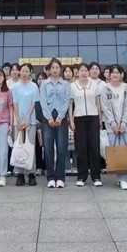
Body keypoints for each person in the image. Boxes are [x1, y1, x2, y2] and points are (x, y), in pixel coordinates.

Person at [69, 63, 103, 187]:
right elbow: (70, 105)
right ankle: (81, 176)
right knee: (81, 148)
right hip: (79, 117)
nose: (83, 73)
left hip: (93, 117)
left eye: (85, 70)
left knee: (94, 147)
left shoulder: (94, 85)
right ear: (77, 72)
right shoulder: (72, 86)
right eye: (81, 70)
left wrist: (100, 120)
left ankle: (96, 176)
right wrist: (71, 120)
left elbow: (98, 103)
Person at [40, 58, 71, 188]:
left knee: (62, 148)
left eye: (57, 67)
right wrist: (48, 118)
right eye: (52, 68)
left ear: (60, 69)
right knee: (48, 148)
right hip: (47, 117)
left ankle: (60, 177)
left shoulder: (66, 84)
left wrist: (60, 116)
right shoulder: (44, 84)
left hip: (61, 117)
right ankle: (51, 177)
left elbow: (67, 101)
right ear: (48, 70)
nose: (55, 70)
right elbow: (42, 101)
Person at [101, 64, 127, 190]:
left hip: (126, 125)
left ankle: (124, 179)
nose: (115, 75)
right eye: (113, 72)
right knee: (115, 151)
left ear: (121, 75)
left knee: (125, 150)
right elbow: (105, 107)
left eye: (117, 72)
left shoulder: (126, 88)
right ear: (109, 75)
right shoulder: (105, 88)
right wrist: (113, 123)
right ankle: (119, 176)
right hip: (111, 126)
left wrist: (123, 123)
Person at [11, 63, 39, 186]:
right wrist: (17, 119)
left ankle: (31, 173)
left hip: (30, 120)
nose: (24, 73)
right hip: (18, 120)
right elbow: (15, 103)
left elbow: (34, 103)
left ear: (30, 73)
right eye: (22, 71)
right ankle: (20, 174)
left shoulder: (34, 86)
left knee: (30, 146)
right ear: (19, 72)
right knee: (19, 146)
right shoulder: (15, 87)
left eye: (27, 71)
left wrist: (27, 117)